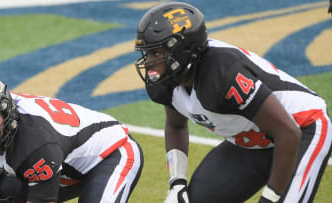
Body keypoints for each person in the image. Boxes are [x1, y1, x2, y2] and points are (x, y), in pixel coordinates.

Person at [134, 2, 332, 203]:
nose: (150, 62)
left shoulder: (223, 74)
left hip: (301, 127)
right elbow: (175, 125)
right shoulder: (166, 81)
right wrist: (177, 183)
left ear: (184, 50)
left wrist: (270, 198)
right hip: (250, 140)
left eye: (157, 53)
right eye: (148, 53)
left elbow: (288, 133)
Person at [0, 74, 143, 203]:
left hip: (111, 154)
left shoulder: (35, 142)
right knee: (0, 194)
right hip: (61, 161)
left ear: (5, 111)